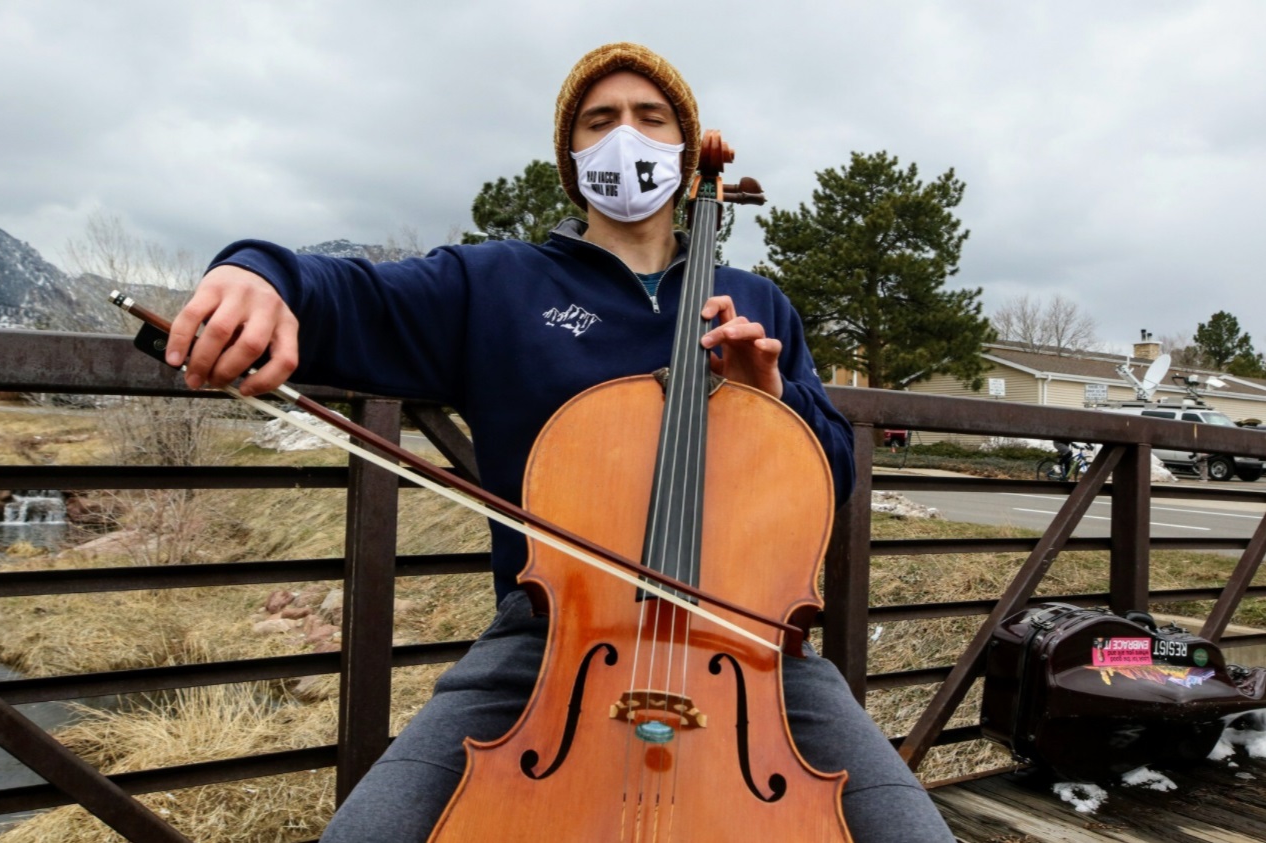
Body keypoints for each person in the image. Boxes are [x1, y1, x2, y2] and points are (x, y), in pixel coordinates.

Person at [168, 42, 953, 843]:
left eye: (650, 119)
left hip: (750, 645)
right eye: (597, 120)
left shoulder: (756, 302)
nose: (625, 136)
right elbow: (351, 293)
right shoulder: (498, 283)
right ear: (571, 157)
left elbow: (835, 476)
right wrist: (260, 273)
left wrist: (773, 403)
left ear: (685, 158)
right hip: (548, 638)